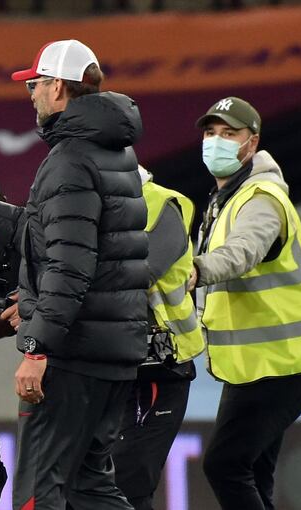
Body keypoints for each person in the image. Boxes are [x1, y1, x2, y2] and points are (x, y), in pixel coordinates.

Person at [0, 39, 149, 510]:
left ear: (59, 87)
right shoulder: (112, 151)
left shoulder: (70, 158)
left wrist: (37, 348)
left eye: (37, 84)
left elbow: (68, 265)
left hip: (72, 355)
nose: (33, 95)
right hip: (110, 351)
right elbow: (66, 237)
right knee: (89, 488)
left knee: (38, 493)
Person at [188, 96, 301, 510]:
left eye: (229, 134)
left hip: (285, 361)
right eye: (210, 133)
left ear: (252, 144)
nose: (216, 141)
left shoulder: (262, 198)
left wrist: (196, 269)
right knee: (252, 472)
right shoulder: (225, 199)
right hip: (258, 363)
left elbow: (242, 252)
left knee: (224, 465)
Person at [110, 166, 205, 510]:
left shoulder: (162, 205)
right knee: (93, 486)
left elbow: (139, 274)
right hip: (108, 367)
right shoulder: (87, 209)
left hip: (158, 368)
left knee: (128, 485)